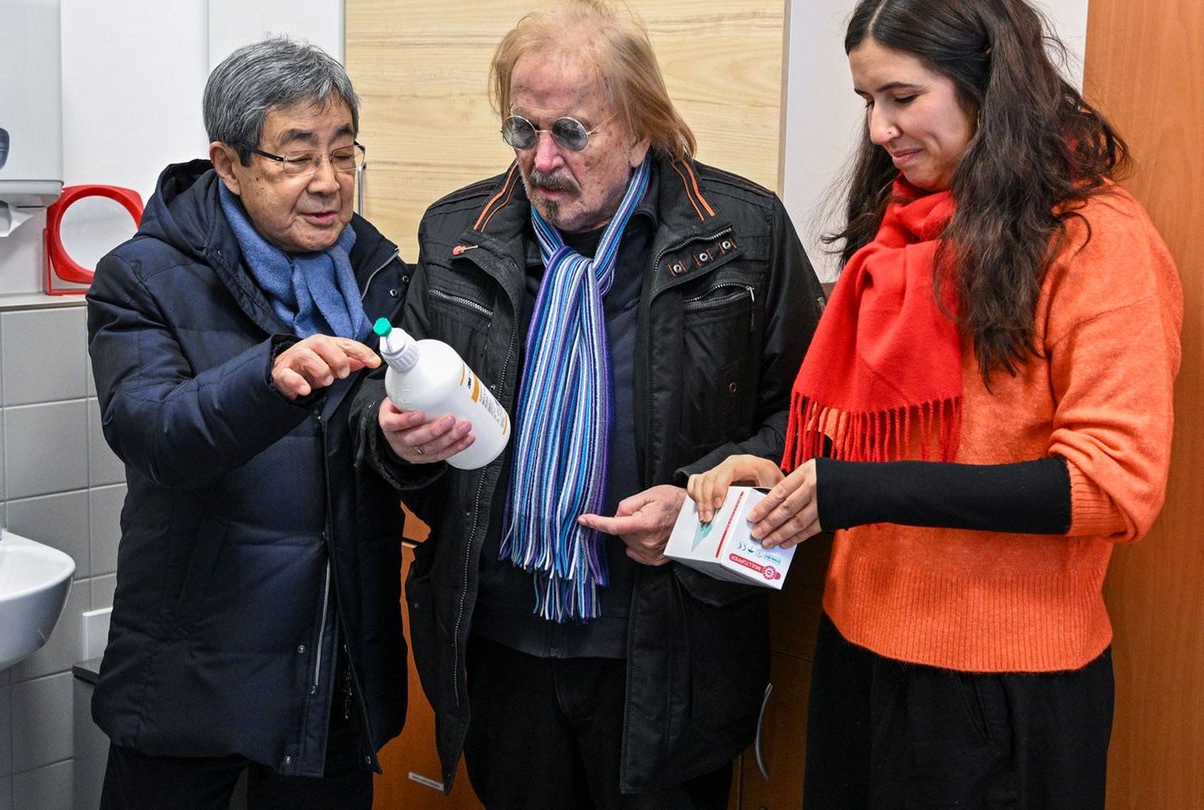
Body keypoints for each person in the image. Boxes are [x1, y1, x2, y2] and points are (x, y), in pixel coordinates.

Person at [687, 1, 1183, 807]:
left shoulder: (1098, 241)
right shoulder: (895, 236)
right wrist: (782, 469)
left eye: (903, 97)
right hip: (860, 652)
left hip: (1002, 686)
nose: (881, 128)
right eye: (866, 101)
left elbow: (1113, 484)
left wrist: (856, 491)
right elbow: (875, 433)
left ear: (990, 84)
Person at [352, 2, 823, 806]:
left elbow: (813, 426)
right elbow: (390, 429)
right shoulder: (457, 234)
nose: (540, 159)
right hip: (501, 648)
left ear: (641, 129)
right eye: (520, 130)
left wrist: (700, 510)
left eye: (571, 131)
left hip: (672, 650)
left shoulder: (743, 235)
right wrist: (394, 438)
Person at [85, 38, 409, 810]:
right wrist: (266, 379)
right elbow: (153, 434)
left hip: (333, 682)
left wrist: (418, 447)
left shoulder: (379, 273)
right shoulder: (142, 276)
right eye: (296, 157)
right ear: (229, 165)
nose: (328, 183)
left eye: (343, 152)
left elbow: (386, 456)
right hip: (190, 690)